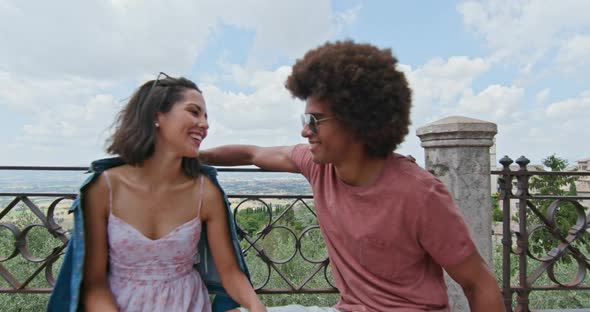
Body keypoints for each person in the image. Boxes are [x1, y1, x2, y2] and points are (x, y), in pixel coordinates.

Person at [199, 41, 505, 312]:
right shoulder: (319, 165)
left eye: (315, 121)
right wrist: (196, 157)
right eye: (306, 119)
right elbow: (252, 153)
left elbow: (478, 283)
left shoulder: (420, 194)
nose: (305, 130)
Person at [47, 73, 266, 312]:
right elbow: (93, 285)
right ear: (156, 116)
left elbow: (230, 273)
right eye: (194, 112)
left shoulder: (206, 192)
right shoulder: (103, 189)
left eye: (205, 116)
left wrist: (256, 307)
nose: (205, 124)